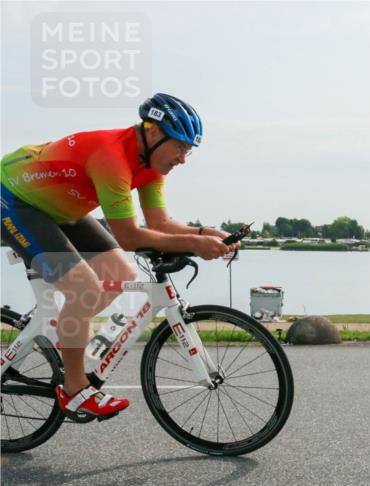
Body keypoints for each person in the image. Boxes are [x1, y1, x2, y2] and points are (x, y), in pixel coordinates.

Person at [1, 93, 238, 419]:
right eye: (180, 147)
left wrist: (205, 233)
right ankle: (74, 390)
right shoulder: (111, 158)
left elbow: (160, 223)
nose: (183, 159)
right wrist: (196, 245)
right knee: (84, 289)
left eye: (188, 151)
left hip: (61, 207)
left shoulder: (151, 166)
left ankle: (68, 334)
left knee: (121, 275)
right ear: (154, 132)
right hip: (15, 200)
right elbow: (128, 237)